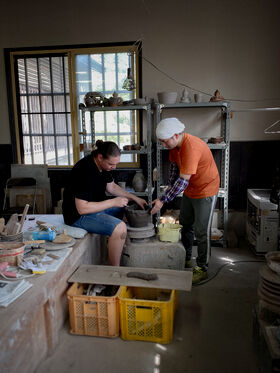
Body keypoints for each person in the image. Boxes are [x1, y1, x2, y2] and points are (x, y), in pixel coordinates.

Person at [151, 118, 219, 284]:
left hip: (206, 189)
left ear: (175, 135)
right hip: (191, 189)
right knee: (186, 224)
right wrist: (164, 194)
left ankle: (202, 267)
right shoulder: (175, 147)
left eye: (165, 141)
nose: (164, 145)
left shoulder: (191, 147)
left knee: (202, 231)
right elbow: (175, 173)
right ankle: (187, 257)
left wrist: (162, 201)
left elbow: (182, 182)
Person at [62, 140, 147, 266]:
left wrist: (134, 198)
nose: (114, 167)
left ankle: (118, 249)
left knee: (126, 211)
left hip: (95, 208)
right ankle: (115, 270)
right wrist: (113, 202)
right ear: (100, 157)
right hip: (77, 216)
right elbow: (82, 208)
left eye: (116, 164)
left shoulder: (103, 166)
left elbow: (111, 187)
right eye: (111, 164)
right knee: (120, 228)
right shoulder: (84, 170)